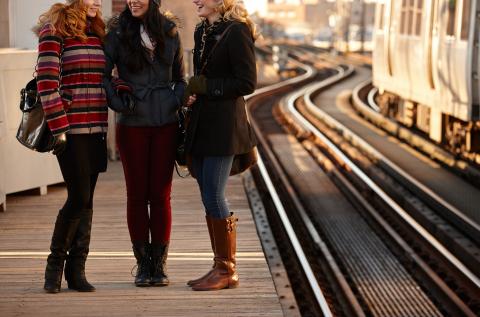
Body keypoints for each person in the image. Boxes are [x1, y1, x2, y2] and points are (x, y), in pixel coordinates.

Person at [103, 0, 186, 287]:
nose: (133, 0)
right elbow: (104, 76)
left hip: (165, 123)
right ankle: (142, 265)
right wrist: (118, 103)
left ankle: (159, 265)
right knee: (137, 195)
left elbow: (181, 78)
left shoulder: (170, 31)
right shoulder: (116, 32)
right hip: (132, 123)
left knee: (160, 195)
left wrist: (175, 100)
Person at [184, 0, 258, 291]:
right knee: (206, 192)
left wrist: (207, 87)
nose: (196, 1)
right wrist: (193, 91)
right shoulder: (202, 31)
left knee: (214, 194)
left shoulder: (237, 31)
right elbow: (203, 75)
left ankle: (228, 269)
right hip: (202, 123)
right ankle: (219, 265)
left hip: (225, 126)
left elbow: (247, 83)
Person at [36, 0, 108, 293]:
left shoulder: (98, 32)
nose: (97, 2)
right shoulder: (54, 30)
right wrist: (59, 127)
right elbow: (45, 82)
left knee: (87, 199)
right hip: (70, 129)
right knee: (77, 197)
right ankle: (53, 269)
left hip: (97, 127)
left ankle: (77, 272)